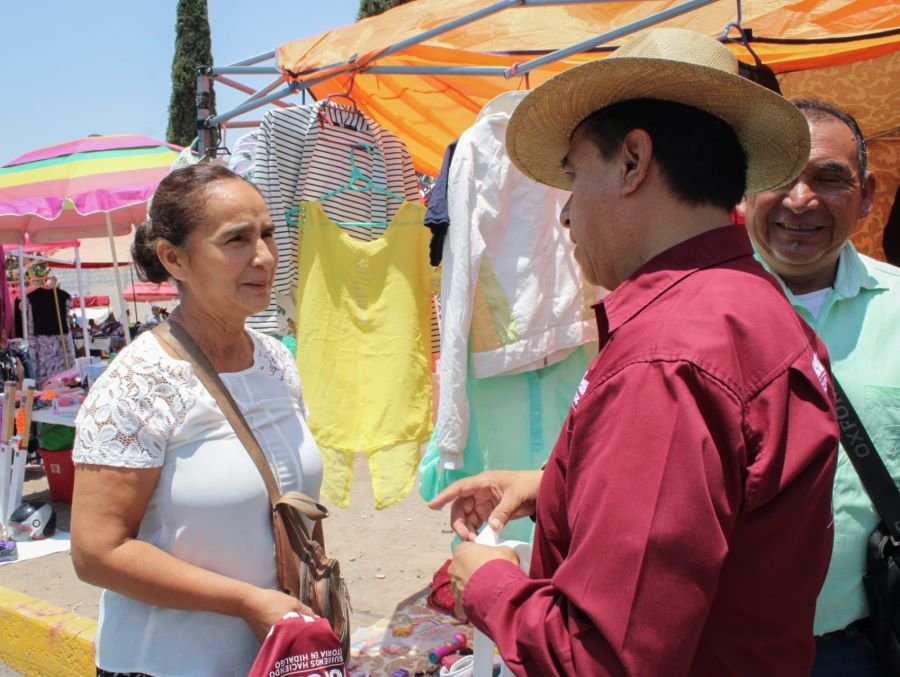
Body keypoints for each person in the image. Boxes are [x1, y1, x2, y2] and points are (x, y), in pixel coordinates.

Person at [429, 28, 839, 675]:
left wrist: (485, 583)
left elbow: (602, 659)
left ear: (632, 162)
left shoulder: (668, 356)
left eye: (573, 174)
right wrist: (560, 487)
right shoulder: (749, 302)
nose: (565, 216)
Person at [70, 163, 324, 676]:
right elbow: (97, 552)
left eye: (267, 234)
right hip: (166, 665)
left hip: (274, 660)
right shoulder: (138, 382)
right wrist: (246, 602)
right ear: (174, 259)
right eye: (236, 240)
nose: (264, 257)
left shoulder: (275, 361)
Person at [740, 98, 900, 675]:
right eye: (777, 178)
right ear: (742, 192)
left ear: (866, 195)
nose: (800, 200)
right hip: (721, 646)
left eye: (829, 178)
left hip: (862, 645)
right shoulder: (690, 311)